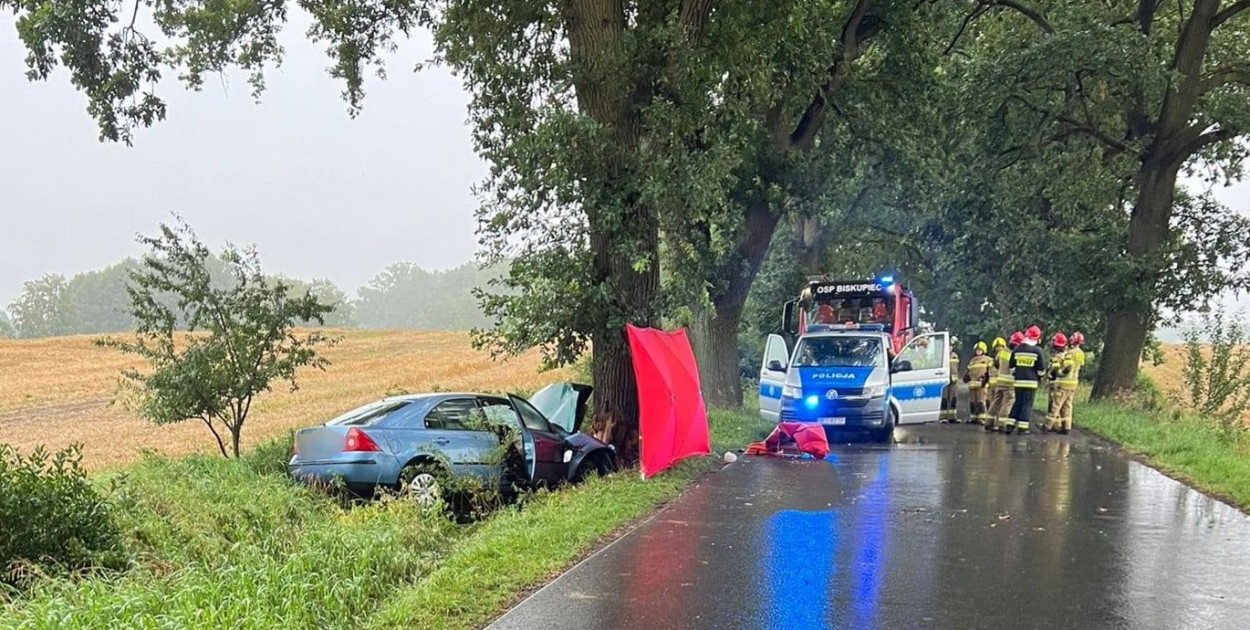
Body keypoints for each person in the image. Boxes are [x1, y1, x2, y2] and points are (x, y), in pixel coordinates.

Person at [1005, 326, 1046, 435]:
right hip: (1031, 383)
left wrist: (1017, 373)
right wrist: (1040, 377)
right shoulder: (1038, 351)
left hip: (1018, 382)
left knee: (1017, 403)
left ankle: (1010, 425)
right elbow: (1041, 369)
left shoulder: (1017, 349)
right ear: (1037, 338)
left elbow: (1011, 366)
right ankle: (1023, 428)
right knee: (1027, 404)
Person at [1054, 331, 1086, 434]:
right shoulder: (1081, 353)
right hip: (1074, 383)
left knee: (1056, 404)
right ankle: (1066, 427)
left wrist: (1059, 373)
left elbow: (1067, 367)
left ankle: (1047, 425)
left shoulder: (1070, 353)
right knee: (1068, 405)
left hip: (1064, 382)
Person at [985, 336, 1015, 432]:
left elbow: (996, 364)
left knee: (995, 402)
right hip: (1009, 383)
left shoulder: (1001, 354)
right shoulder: (1014, 353)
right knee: (1007, 403)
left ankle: (988, 422)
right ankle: (1002, 424)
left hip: (1000, 382)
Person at [965, 341, 995, 425]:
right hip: (972, 385)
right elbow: (968, 371)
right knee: (972, 402)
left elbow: (991, 371)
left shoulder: (988, 360)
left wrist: (987, 380)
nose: (978, 352)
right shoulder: (972, 361)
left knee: (981, 402)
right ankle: (973, 418)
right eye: (977, 350)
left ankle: (982, 418)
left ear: (983, 350)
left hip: (982, 385)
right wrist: (966, 376)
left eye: (980, 350)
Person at [1044, 333, 1069, 432]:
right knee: (1063, 406)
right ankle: (1059, 425)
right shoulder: (1066, 355)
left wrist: (1051, 375)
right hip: (1062, 384)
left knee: (1053, 405)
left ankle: (1047, 426)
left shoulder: (1057, 356)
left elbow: (1055, 368)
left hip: (1056, 384)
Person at [941, 338, 961, 423]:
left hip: (954, 381)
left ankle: (953, 417)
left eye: (950, 346)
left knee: (953, 398)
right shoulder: (942, 355)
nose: (949, 348)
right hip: (945, 380)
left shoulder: (955, 355)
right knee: (944, 398)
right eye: (948, 346)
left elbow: (957, 367)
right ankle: (943, 417)